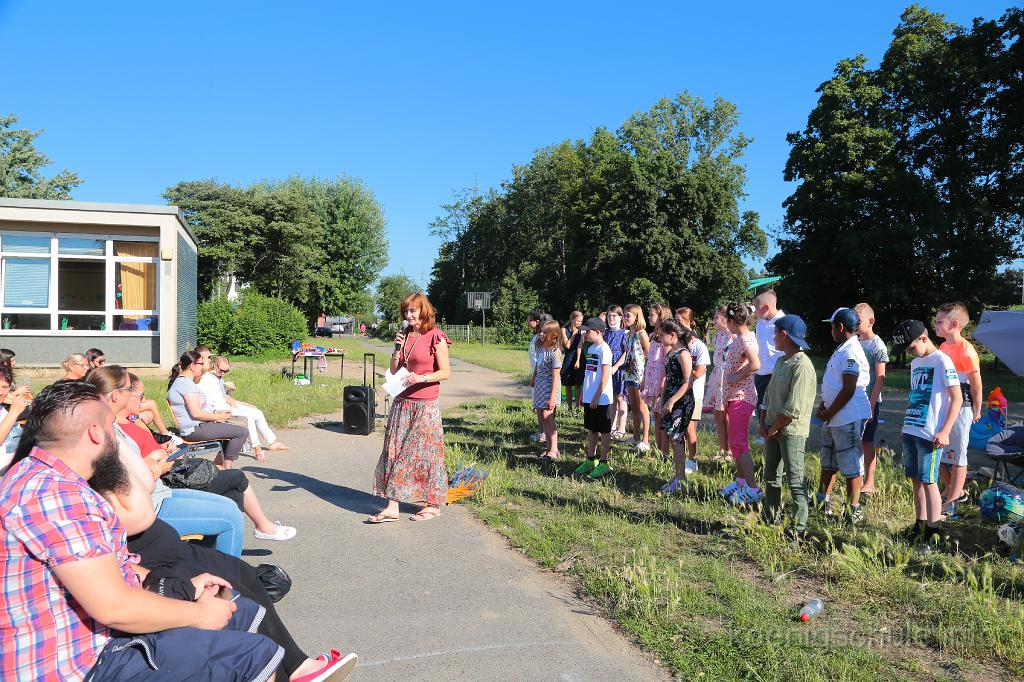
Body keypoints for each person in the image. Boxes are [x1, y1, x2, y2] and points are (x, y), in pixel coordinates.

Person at [1, 380, 358, 681]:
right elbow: (112, 607)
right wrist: (198, 615)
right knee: (251, 654)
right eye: (113, 429)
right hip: (77, 663)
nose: (117, 438)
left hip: (93, 637)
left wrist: (181, 588)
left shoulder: (50, 479)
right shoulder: (56, 496)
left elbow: (110, 571)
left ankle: (298, 670)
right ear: (96, 433)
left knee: (241, 610)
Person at [87, 366, 248, 557]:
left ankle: (209, 562)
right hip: (151, 504)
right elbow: (122, 482)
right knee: (231, 517)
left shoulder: (111, 424)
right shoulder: (105, 431)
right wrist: (156, 467)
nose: (134, 395)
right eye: (129, 389)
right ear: (115, 395)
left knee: (231, 504)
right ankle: (226, 573)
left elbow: (127, 467)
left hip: (160, 492)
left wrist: (150, 461)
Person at [120, 372, 296, 542]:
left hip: (173, 464)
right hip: (171, 473)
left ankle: (212, 551)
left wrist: (163, 447)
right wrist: (159, 460)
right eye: (141, 396)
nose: (144, 400)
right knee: (237, 474)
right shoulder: (119, 431)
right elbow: (138, 468)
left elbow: (148, 446)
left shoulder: (133, 421)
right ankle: (262, 526)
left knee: (235, 495)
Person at [369, 292, 452, 523]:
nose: (408, 315)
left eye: (412, 310)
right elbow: (394, 370)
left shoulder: (436, 336)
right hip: (402, 402)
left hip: (425, 405)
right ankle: (392, 507)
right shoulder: (404, 335)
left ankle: (432, 505)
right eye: (405, 311)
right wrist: (397, 349)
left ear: (423, 311)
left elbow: (445, 372)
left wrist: (421, 378)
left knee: (426, 453)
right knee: (394, 451)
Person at [892, 320, 962, 546]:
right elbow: (915, 395)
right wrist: (906, 425)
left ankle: (933, 530)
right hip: (912, 429)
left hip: (931, 433)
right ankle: (920, 523)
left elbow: (957, 398)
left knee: (929, 480)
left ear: (923, 338)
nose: (910, 353)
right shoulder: (916, 363)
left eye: (911, 347)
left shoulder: (942, 360)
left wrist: (945, 430)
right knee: (915, 479)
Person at [757, 315, 817, 537]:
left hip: (791, 432)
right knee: (771, 475)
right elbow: (768, 395)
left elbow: (794, 407)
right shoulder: (781, 361)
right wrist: (763, 421)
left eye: (775, 333)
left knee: (795, 479)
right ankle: (771, 516)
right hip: (772, 428)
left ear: (784, 335)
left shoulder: (802, 365)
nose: (773, 337)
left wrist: (774, 427)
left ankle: (798, 528)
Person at [814, 308, 873, 525]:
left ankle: (852, 510)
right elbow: (835, 383)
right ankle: (822, 500)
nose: (830, 330)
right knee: (828, 459)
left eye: (832, 326)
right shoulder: (842, 348)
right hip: (834, 415)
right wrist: (824, 404)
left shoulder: (851, 352)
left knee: (850, 464)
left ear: (840, 327)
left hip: (847, 416)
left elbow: (848, 388)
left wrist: (829, 412)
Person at [934, 302, 983, 519]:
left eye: (939, 322)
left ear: (954, 324)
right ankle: (955, 490)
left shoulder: (967, 351)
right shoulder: (943, 347)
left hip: (962, 407)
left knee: (958, 456)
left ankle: (951, 503)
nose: (935, 325)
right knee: (938, 450)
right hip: (944, 405)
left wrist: (977, 409)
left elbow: (976, 386)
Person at [167, 351, 249, 468]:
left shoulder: (182, 381)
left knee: (233, 427)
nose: (203, 366)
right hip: (194, 429)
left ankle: (220, 466)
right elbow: (196, 414)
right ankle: (227, 468)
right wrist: (218, 417)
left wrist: (216, 413)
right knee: (241, 432)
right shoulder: (186, 384)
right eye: (201, 363)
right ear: (192, 366)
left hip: (194, 426)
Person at [199, 355, 289, 461]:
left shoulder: (218, 377)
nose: (223, 373)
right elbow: (222, 399)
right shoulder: (207, 378)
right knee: (249, 416)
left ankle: (272, 442)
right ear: (215, 365)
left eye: (226, 371)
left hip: (225, 404)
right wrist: (241, 404)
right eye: (221, 370)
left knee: (258, 412)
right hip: (219, 408)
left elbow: (226, 397)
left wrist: (231, 392)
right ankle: (257, 449)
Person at [719, 302, 762, 504]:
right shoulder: (742, 337)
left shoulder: (745, 338)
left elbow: (755, 364)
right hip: (734, 396)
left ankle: (753, 489)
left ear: (732, 321)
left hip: (742, 397)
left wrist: (735, 377)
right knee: (736, 443)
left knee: (739, 443)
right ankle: (741, 482)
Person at [853, 302, 888, 501]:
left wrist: (871, 405)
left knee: (867, 441)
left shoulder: (877, 345)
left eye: (858, 321)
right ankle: (856, 477)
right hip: (854, 399)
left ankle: (870, 482)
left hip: (870, 401)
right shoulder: (854, 341)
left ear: (871, 321)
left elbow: (880, 378)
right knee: (854, 439)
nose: (855, 325)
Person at [574, 318, 614, 479]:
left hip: (601, 399)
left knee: (604, 431)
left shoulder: (605, 350)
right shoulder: (590, 348)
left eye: (588, 331)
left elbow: (605, 376)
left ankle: (604, 462)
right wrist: (584, 394)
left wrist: (597, 397)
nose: (585, 334)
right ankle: (591, 459)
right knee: (591, 429)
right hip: (590, 397)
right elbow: (588, 373)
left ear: (598, 332)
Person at [659, 320, 695, 494]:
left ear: (672, 335)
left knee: (676, 437)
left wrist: (673, 400)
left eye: (662, 334)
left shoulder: (683, 354)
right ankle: (678, 475)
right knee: (674, 439)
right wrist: (663, 399)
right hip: (670, 400)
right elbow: (668, 379)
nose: (659, 337)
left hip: (682, 402)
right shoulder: (671, 352)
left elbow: (688, 382)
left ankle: (681, 479)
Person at [676, 307, 710, 473]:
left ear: (688, 321)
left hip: (694, 392)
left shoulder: (699, 346)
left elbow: (700, 371)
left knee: (690, 428)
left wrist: (685, 377)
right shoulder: (678, 344)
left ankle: (692, 460)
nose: (677, 323)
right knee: (679, 427)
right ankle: (680, 459)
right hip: (680, 391)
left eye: (679, 320)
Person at [702, 306, 735, 461]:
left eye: (716, 317)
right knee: (717, 413)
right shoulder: (718, 336)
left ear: (725, 319)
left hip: (727, 376)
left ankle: (731, 450)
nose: (713, 320)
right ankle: (722, 449)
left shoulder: (734, 336)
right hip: (717, 375)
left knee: (727, 414)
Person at [753, 290, 786, 437]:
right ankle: (763, 434)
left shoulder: (784, 322)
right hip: (761, 374)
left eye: (756, 307)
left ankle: (775, 434)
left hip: (777, 374)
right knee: (761, 406)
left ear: (766, 307)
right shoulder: (760, 323)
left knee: (775, 407)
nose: (755, 312)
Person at [622, 304, 651, 452]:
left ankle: (645, 440)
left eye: (628, 315)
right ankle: (635, 437)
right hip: (629, 371)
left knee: (642, 406)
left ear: (637, 317)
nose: (625, 318)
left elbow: (649, 354)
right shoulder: (628, 334)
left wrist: (646, 374)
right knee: (633, 406)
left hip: (640, 373)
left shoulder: (642, 333)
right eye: (624, 315)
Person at [641, 307, 669, 455]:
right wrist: (644, 379)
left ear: (661, 316)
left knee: (662, 416)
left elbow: (666, 362)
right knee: (656, 416)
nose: (649, 317)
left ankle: (665, 451)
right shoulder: (652, 336)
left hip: (660, 381)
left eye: (651, 315)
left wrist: (663, 382)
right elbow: (649, 360)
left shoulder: (666, 339)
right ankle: (659, 450)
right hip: (651, 379)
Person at [533, 320, 562, 460]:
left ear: (554, 335)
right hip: (540, 385)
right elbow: (537, 364)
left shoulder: (555, 352)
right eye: (541, 331)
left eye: (545, 332)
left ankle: (554, 449)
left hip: (550, 388)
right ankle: (549, 448)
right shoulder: (540, 347)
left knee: (548, 417)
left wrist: (552, 397)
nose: (541, 334)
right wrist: (534, 376)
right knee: (542, 417)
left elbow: (556, 377)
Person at [604, 305, 630, 438]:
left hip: (619, 369)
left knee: (621, 397)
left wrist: (616, 367)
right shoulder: (605, 333)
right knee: (611, 397)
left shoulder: (625, 333)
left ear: (620, 317)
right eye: (609, 316)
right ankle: (612, 426)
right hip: (607, 368)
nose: (611, 318)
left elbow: (626, 352)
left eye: (614, 316)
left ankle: (622, 427)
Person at [0, 360, 30, 471]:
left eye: (5, 387)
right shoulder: (10, 412)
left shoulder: (2, 409)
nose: (1, 392)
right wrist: (13, 413)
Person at [526, 309, 548, 444]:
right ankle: (541, 431)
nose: (528, 322)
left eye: (530, 320)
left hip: (542, 377)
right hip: (537, 376)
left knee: (542, 407)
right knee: (538, 406)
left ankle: (544, 433)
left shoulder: (541, 339)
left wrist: (538, 376)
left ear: (537, 321)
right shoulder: (536, 337)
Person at [560, 311, 585, 410]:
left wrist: (578, 360)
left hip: (579, 358)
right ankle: (570, 408)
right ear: (572, 319)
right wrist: (574, 334)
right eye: (578, 321)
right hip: (569, 358)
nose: (580, 323)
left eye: (581, 321)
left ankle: (577, 408)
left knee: (578, 384)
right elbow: (567, 345)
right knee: (568, 384)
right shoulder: (564, 330)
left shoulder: (582, 331)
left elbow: (581, 345)